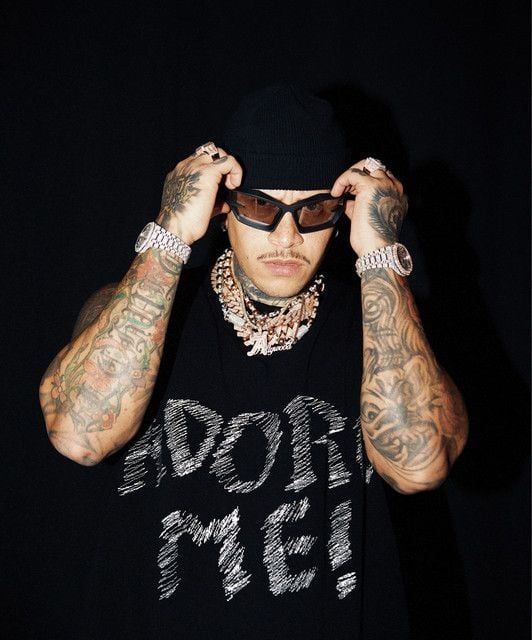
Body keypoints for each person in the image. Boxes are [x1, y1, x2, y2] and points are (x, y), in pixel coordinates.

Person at [39, 84, 468, 640]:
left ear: (341, 215)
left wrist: (381, 255)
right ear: (224, 208)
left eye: (313, 209)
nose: (287, 236)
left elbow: (420, 466)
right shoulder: (137, 309)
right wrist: (171, 233)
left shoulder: (385, 327)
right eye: (262, 206)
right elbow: (78, 435)